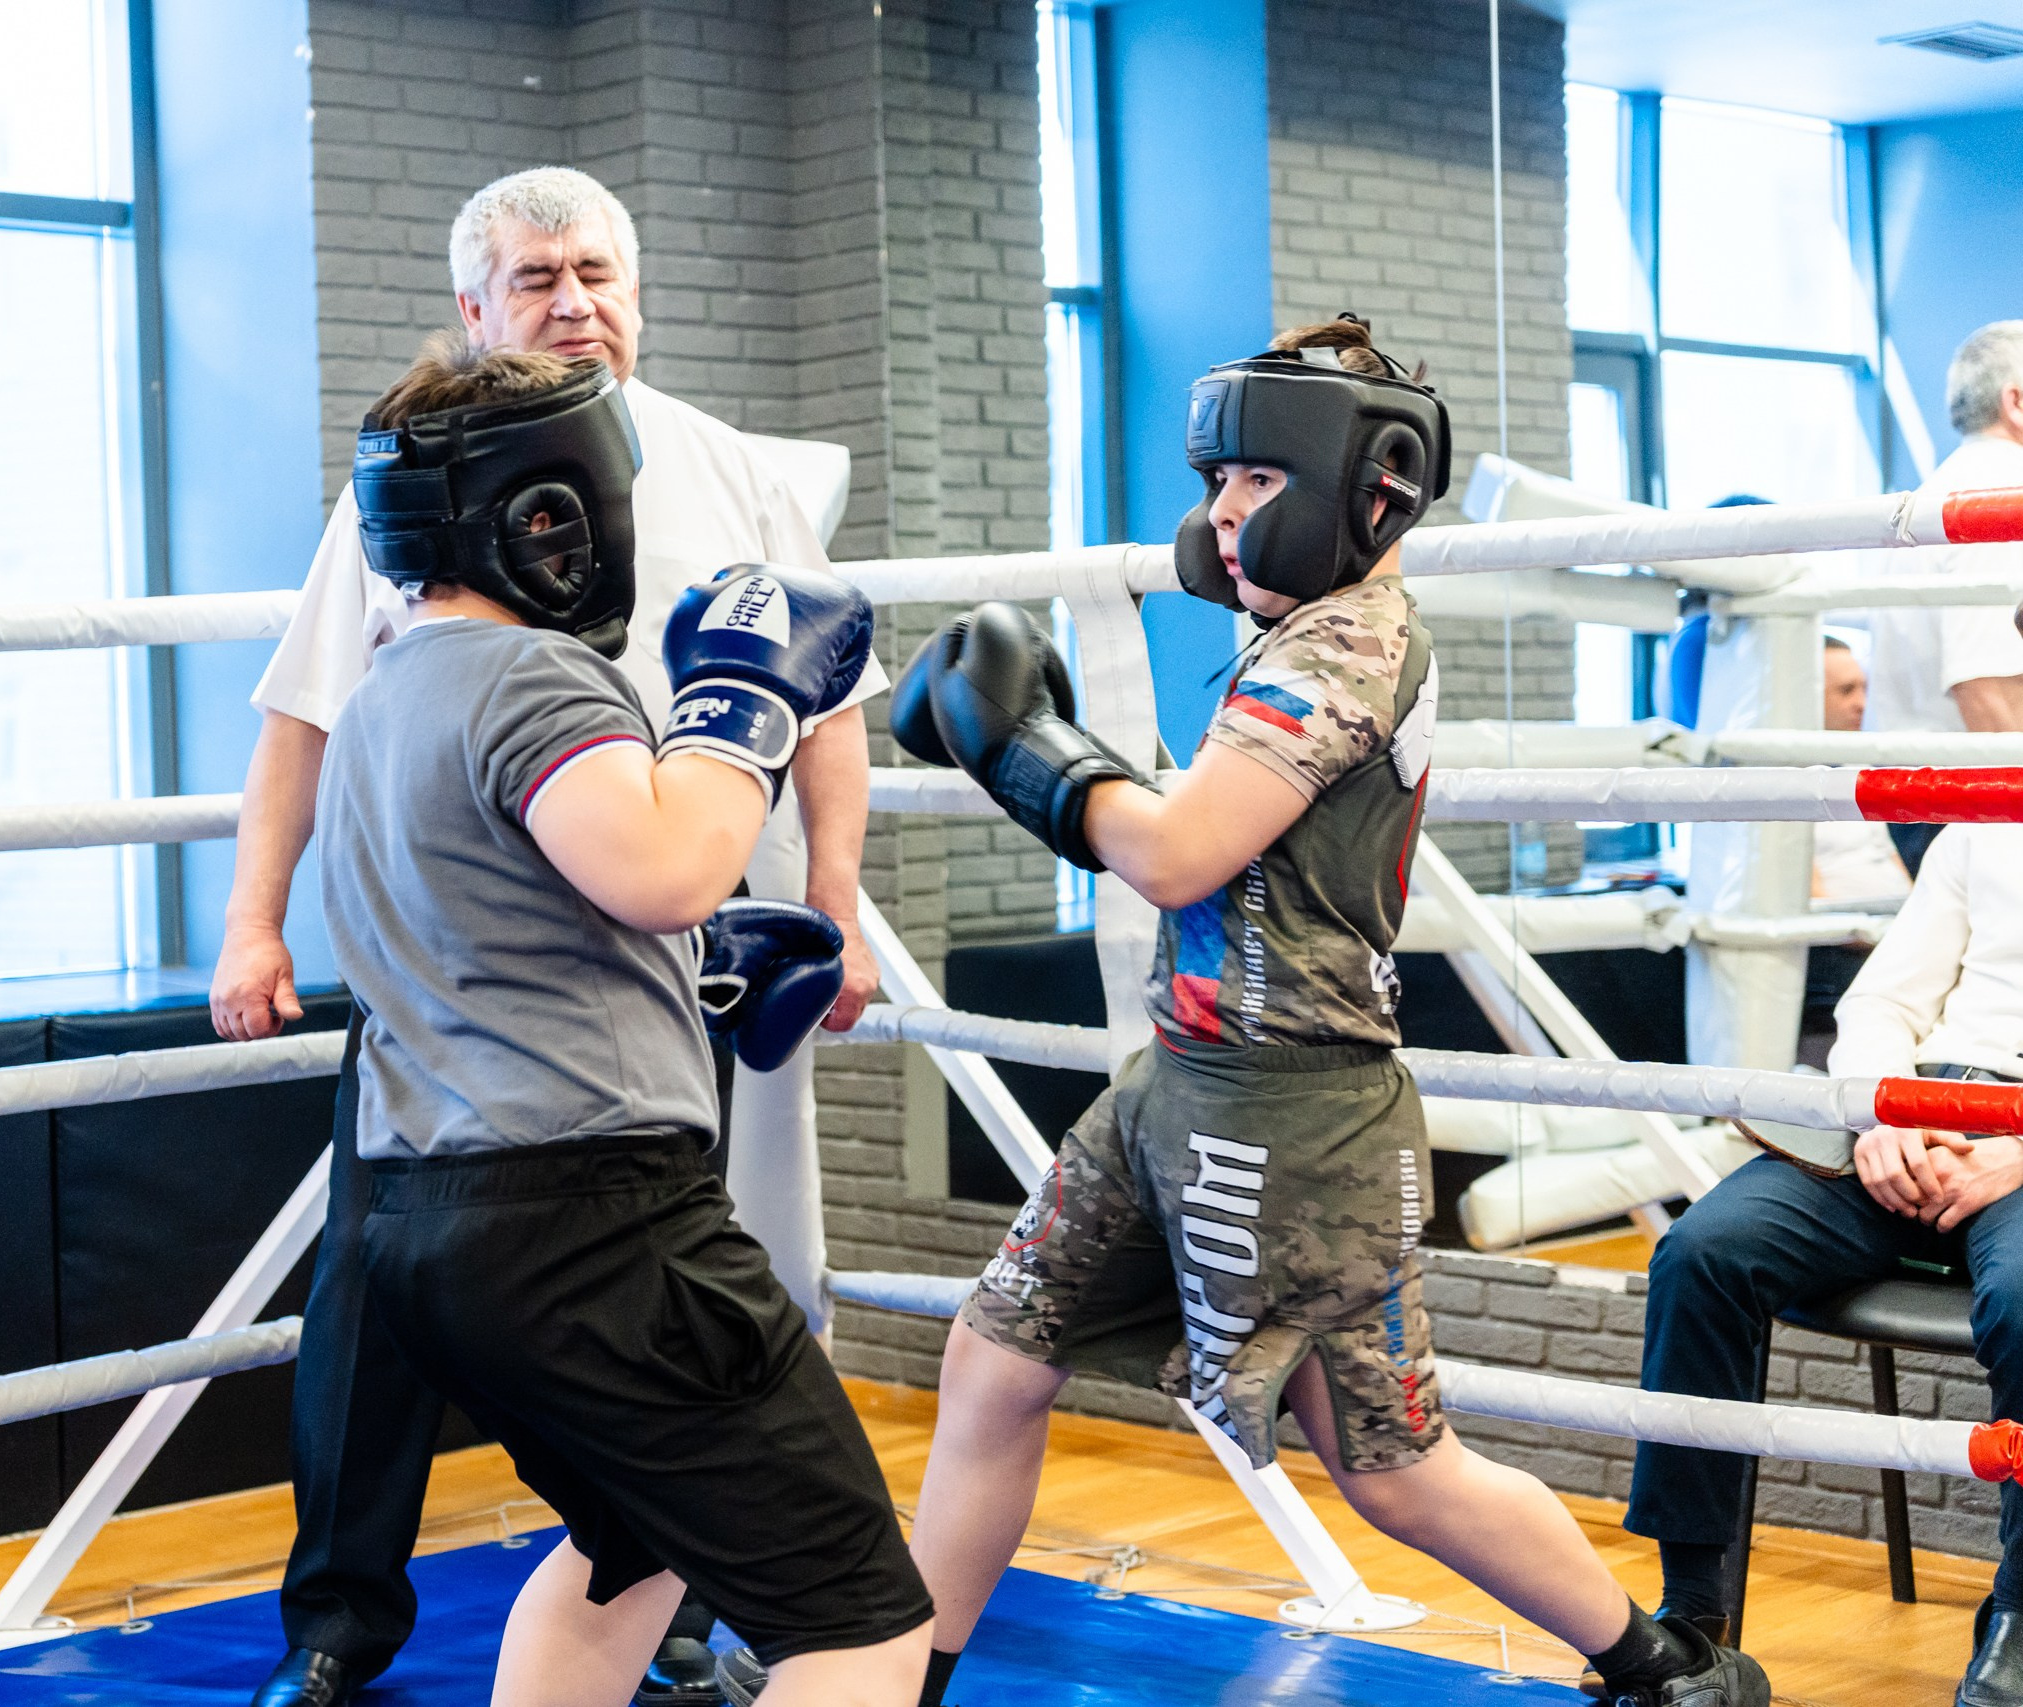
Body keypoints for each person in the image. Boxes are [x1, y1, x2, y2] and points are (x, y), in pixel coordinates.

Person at [729, 318, 1767, 1707]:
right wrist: (1175, 585)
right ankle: (903, 1672)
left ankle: (1658, 1667)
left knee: (1394, 1468)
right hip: (1185, 1081)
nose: (1221, 510)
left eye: (1256, 482)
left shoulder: (1338, 651)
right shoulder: (1296, 616)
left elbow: (1171, 851)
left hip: (1300, 1117)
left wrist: (1023, 745)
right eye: (1218, 478)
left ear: (1366, 483)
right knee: (995, 1354)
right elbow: (1192, 708)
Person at [225, 167, 886, 1707]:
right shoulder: (442, 531)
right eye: (535, 278)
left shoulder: (726, 470)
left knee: (711, 1304)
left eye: (597, 271)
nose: (572, 298)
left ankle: (692, 1580)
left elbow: (833, 711)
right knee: (424, 1309)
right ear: (474, 311)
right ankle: (341, 1625)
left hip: (678, 970)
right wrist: (254, 917)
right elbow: (307, 716)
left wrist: (837, 901)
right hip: (511, 981)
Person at [1630, 792, 2023, 1707]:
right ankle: (1694, 1612)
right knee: (1703, 1254)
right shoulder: (1988, 820)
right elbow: (1883, 999)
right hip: (1916, 1113)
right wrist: (1883, 1106)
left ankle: (2018, 1614)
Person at [1865, 321, 2023, 875]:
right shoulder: (2003, 495)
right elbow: (1987, 689)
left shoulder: (1937, 492)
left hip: (1936, 795)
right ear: (2017, 402)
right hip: (1979, 800)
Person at [1812, 635, 1911, 907]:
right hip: (1844, 942)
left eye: (1863, 689)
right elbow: (1805, 896)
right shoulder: (1779, 782)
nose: (1861, 704)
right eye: (1846, 690)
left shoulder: (1858, 764)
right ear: (1806, 696)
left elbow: (1889, 854)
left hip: (1893, 928)